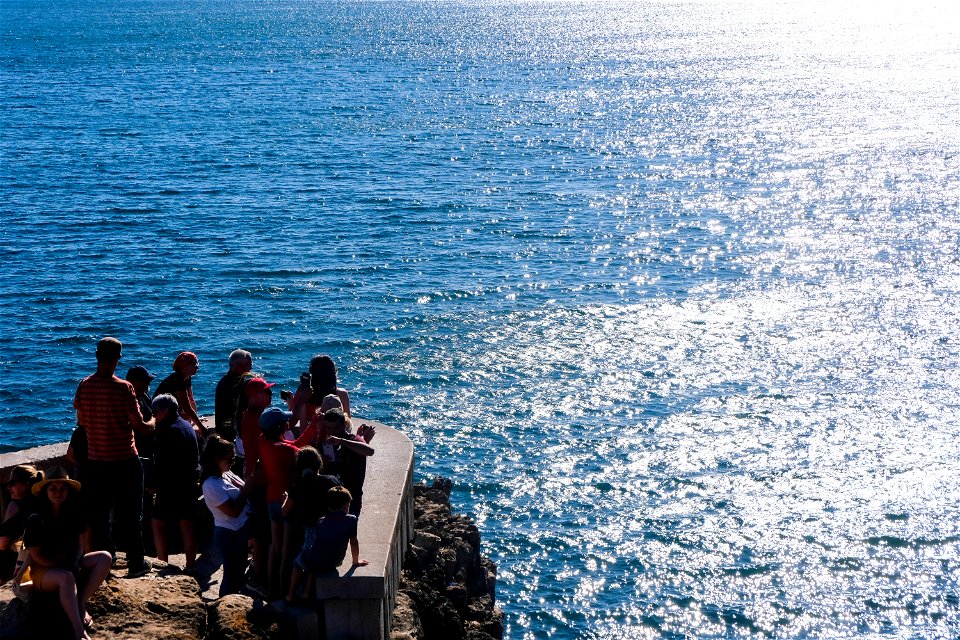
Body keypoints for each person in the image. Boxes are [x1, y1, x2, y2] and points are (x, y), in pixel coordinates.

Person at [73, 336, 155, 578]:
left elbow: (81, 422)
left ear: (97, 356)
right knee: (130, 514)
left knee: (99, 516)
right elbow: (140, 426)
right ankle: (136, 562)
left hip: (96, 461)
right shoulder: (124, 387)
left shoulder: (84, 385)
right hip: (125, 461)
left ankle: (106, 561)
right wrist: (155, 421)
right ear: (118, 358)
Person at [24, 466, 112, 640]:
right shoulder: (36, 518)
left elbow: (80, 544)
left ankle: (80, 602)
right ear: (45, 491)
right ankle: (78, 630)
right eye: (53, 488)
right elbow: (36, 556)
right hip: (42, 571)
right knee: (66, 577)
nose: (58, 492)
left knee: (104, 557)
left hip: (68, 563)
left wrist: (75, 559)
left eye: (63, 488)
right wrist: (65, 565)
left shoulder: (72, 512)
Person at [258, 407, 316, 599]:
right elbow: (300, 448)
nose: (287, 423)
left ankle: (269, 586)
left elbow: (291, 444)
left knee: (274, 546)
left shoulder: (262, 440)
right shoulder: (288, 451)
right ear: (280, 427)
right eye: (285, 421)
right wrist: (314, 427)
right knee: (286, 549)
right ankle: (283, 590)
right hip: (286, 501)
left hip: (270, 498)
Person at [285, 486, 367, 604]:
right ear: (346, 505)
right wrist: (355, 561)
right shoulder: (352, 520)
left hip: (315, 560)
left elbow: (314, 544)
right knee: (314, 555)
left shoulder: (320, 522)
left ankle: (291, 594)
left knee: (298, 563)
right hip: (334, 561)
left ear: (329, 506)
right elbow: (354, 542)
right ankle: (306, 592)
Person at [150, 394, 200, 570]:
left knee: (157, 523)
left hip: (170, 486)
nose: (154, 416)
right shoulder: (186, 426)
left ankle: (162, 563)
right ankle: (191, 565)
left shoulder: (165, 431)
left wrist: (153, 485)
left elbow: (161, 463)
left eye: (155, 412)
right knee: (187, 524)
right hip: (188, 483)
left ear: (164, 411)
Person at [198, 435, 250, 598]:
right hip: (229, 533)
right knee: (231, 574)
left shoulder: (225, 474)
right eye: (230, 459)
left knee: (239, 570)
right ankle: (225, 605)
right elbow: (232, 512)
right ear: (216, 459)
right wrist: (248, 490)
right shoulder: (211, 485)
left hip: (240, 530)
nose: (233, 462)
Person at [320, 407, 374, 518]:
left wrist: (342, 442)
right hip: (331, 497)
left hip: (352, 498)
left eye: (336, 428)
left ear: (344, 425)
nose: (332, 432)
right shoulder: (326, 443)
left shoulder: (354, 440)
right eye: (329, 428)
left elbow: (370, 451)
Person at [288, 355, 351, 435]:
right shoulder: (342, 394)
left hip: (312, 438)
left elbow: (301, 427)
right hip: (336, 439)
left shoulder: (306, 395)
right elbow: (347, 424)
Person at [0, 465, 43, 582]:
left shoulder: (16, 506)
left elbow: (3, 543)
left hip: (14, 565)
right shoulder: (43, 502)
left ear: (27, 483)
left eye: (12, 483)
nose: (8, 488)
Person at [154, 351, 206, 437]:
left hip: (173, 411)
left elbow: (191, 399)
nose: (197, 366)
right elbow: (186, 407)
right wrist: (202, 428)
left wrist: (196, 420)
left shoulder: (187, 377)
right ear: (184, 366)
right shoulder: (178, 380)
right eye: (194, 364)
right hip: (162, 415)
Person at [214, 349, 253, 442]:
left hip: (228, 431)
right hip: (232, 433)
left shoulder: (227, 381)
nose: (251, 367)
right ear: (238, 366)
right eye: (249, 364)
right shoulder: (232, 385)